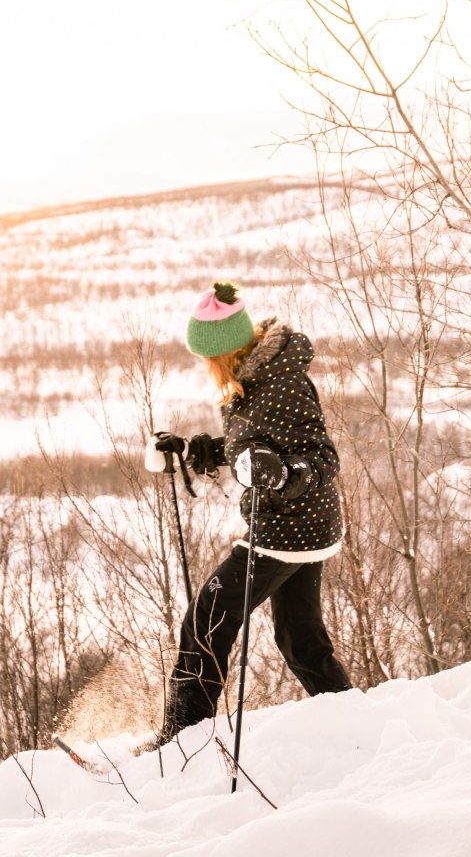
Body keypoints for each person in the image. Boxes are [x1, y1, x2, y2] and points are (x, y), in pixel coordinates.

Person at [145, 280, 352, 746]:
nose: (206, 367)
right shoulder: (256, 379)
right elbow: (260, 441)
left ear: (224, 351)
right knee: (300, 640)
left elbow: (322, 458)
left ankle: (183, 740)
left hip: (289, 526)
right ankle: (351, 718)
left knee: (208, 616)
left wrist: (280, 476)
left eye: (206, 358)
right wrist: (206, 450)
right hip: (302, 525)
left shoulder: (282, 382)